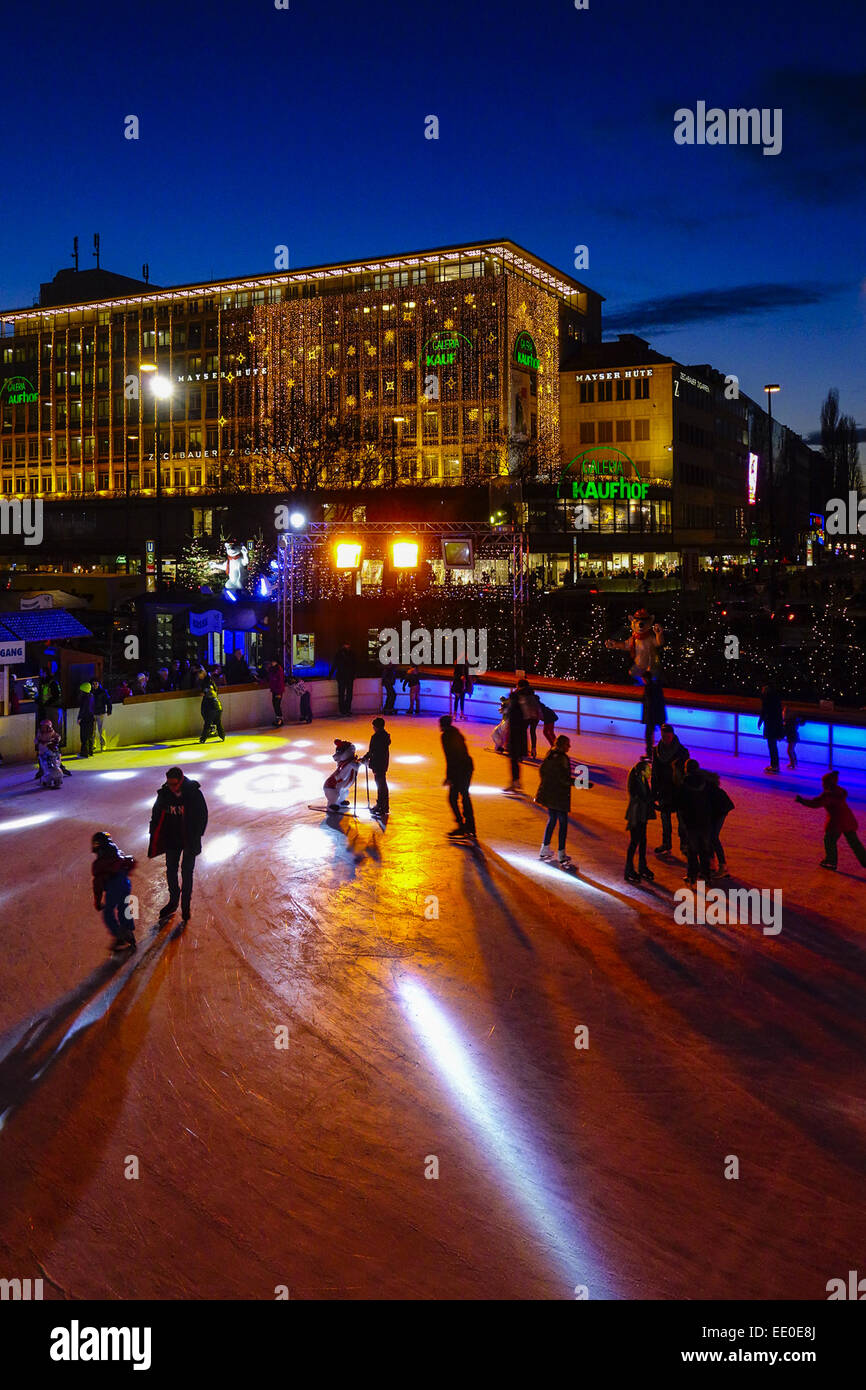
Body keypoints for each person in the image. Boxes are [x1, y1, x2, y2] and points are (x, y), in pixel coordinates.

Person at [148, 766, 209, 923]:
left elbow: (203, 815)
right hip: (172, 839)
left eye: (175, 784)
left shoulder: (193, 793)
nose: (172, 787)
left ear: (181, 781)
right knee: (171, 871)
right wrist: (154, 833)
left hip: (189, 840)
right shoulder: (165, 794)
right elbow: (156, 814)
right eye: (169, 784)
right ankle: (173, 900)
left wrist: (197, 835)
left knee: (187, 872)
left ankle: (186, 907)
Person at [796, 772, 866, 872]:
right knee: (854, 842)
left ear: (827, 783)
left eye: (824, 782)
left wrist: (802, 801)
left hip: (836, 822)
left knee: (829, 840)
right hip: (848, 820)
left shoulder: (829, 795)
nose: (822, 784)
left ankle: (831, 861)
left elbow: (816, 803)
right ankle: (864, 859)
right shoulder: (838, 791)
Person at [92, 830, 137, 953]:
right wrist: (127, 873)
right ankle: (128, 930)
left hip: (113, 887)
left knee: (108, 913)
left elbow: (98, 885)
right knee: (124, 907)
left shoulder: (99, 865)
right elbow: (131, 860)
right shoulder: (119, 856)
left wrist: (97, 901)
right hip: (125, 884)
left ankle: (119, 935)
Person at [536, 734, 575, 868]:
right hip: (559, 796)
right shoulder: (563, 758)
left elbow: (542, 771)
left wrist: (547, 784)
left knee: (552, 819)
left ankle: (544, 848)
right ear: (562, 745)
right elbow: (563, 779)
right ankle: (561, 854)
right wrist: (581, 783)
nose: (569, 747)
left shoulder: (550, 754)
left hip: (549, 794)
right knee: (563, 824)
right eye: (567, 744)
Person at [651, 723, 689, 855]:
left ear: (672, 735)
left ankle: (684, 843)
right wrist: (654, 792)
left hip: (678, 789)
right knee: (665, 818)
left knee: (681, 819)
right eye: (663, 736)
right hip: (664, 789)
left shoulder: (682, 752)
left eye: (667, 736)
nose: (665, 738)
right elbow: (654, 772)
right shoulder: (656, 751)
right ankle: (666, 843)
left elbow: (686, 772)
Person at [439, 714, 476, 839]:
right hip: (467, 766)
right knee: (464, 795)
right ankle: (470, 826)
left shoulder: (446, 736)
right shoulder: (456, 732)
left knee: (453, 798)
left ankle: (462, 825)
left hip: (459, 769)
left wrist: (449, 776)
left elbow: (450, 757)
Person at [677, 758, 713, 886]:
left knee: (692, 850)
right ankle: (706, 874)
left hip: (691, 823)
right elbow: (710, 802)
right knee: (704, 849)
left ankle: (692, 875)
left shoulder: (683, 785)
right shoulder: (706, 784)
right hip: (704, 822)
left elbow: (680, 804)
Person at [624, 755, 656, 883]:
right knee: (634, 842)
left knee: (642, 841)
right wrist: (652, 799)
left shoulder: (642, 779)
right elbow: (641, 798)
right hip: (636, 815)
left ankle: (642, 866)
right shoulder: (636, 782)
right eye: (648, 770)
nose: (650, 773)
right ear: (642, 771)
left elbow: (647, 797)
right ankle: (628, 869)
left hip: (642, 815)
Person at [704, 769, 735, 875]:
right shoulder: (706, 786)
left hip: (719, 811)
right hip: (717, 810)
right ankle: (711, 862)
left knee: (713, 837)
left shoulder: (707, 788)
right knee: (709, 836)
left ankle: (722, 865)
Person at [361, 716, 391, 816]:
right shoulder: (385, 736)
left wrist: (365, 758)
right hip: (383, 763)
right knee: (382, 784)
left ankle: (381, 806)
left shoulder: (376, 737)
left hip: (378, 764)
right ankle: (384, 806)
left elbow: (372, 751)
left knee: (380, 785)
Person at [323, 739, 359, 810]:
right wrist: (353, 765)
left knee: (345, 792)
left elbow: (356, 766)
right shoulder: (345, 765)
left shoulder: (350, 761)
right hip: (331, 787)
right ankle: (331, 805)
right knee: (335, 794)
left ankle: (340, 801)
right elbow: (341, 777)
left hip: (341, 787)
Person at [758, 683, 784, 774]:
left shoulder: (767, 701)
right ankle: (774, 765)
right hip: (773, 725)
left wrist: (760, 721)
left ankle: (774, 765)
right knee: (772, 746)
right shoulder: (775, 701)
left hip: (770, 725)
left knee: (772, 746)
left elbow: (763, 711)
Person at [505, 687, 526, 792]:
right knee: (514, 761)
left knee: (513, 761)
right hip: (519, 739)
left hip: (515, 739)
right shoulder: (520, 709)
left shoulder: (514, 710)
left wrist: (508, 742)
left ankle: (515, 782)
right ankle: (516, 781)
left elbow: (513, 727)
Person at [34, 718, 67, 787]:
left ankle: (58, 778)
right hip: (43, 752)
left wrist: (56, 739)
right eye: (42, 726)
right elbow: (36, 740)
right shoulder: (40, 733)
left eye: (44, 726)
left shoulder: (52, 732)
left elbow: (57, 736)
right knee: (44, 766)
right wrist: (39, 742)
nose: (43, 728)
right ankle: (45, 778)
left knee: (55, 763)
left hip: (51, 751)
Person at [640, 673, 666, 757]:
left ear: (646, 679)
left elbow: (649, 703)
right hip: (659, 715)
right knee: (664, 733)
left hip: (652, 716)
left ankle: (649, 753)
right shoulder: (657, 687)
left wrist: (649, 718)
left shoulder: (648, 688)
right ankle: (664, 751)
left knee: (648, 735)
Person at [517, 678, 543, 757]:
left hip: (527, 715)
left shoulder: (520, 693)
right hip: (535, 716)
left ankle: (522, 750)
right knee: (532, 732)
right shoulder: (532, 693)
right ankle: (533, 749)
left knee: (523, 732)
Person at [331, 643, 357, 716]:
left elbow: (335, 664)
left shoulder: (340, 653)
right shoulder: (350, 654)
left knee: (342, 694)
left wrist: (330, 675)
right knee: (347, 694)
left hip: (343, 676)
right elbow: (354, 664)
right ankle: (346, 709)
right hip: (347, 676)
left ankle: (343, 710)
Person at [199, 677, 225, 742]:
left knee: (208, 723)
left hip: (212, 708)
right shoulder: (213, 689)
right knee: (218, 722)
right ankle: (222, 736)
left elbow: (204, 694)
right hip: (218, 707)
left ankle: (203, 738)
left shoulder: (207, 690)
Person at [92, 678, 113, 752]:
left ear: (99, 684)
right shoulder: (91, 692)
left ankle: (103, 745)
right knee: (92, 730)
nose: (95, 685)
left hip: (101, 712)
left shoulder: (103, 692)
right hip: (93, 713)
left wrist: (109, 710)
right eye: (93, 684)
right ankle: (93, 745)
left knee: (101, 730)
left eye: (96, 684)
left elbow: (108, 701)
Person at [77, 681, 96, 758]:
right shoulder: (91, 696)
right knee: (90, 735)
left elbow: (83, 709)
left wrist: (79, 718)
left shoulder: (84, 698)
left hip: (85, 719)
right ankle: (90, 751)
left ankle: (84, 753)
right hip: (91, 718)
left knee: (84, 736)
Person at [268, 661, 286, 726]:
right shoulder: (272, 669)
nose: (272, 663)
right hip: (274, 690)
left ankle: (280, 719)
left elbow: (280, 681)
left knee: (277, 704)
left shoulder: (279, 669)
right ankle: (278, 719)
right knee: (275, 704)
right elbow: (270, 679)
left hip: (278, 690)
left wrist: (279, 692)